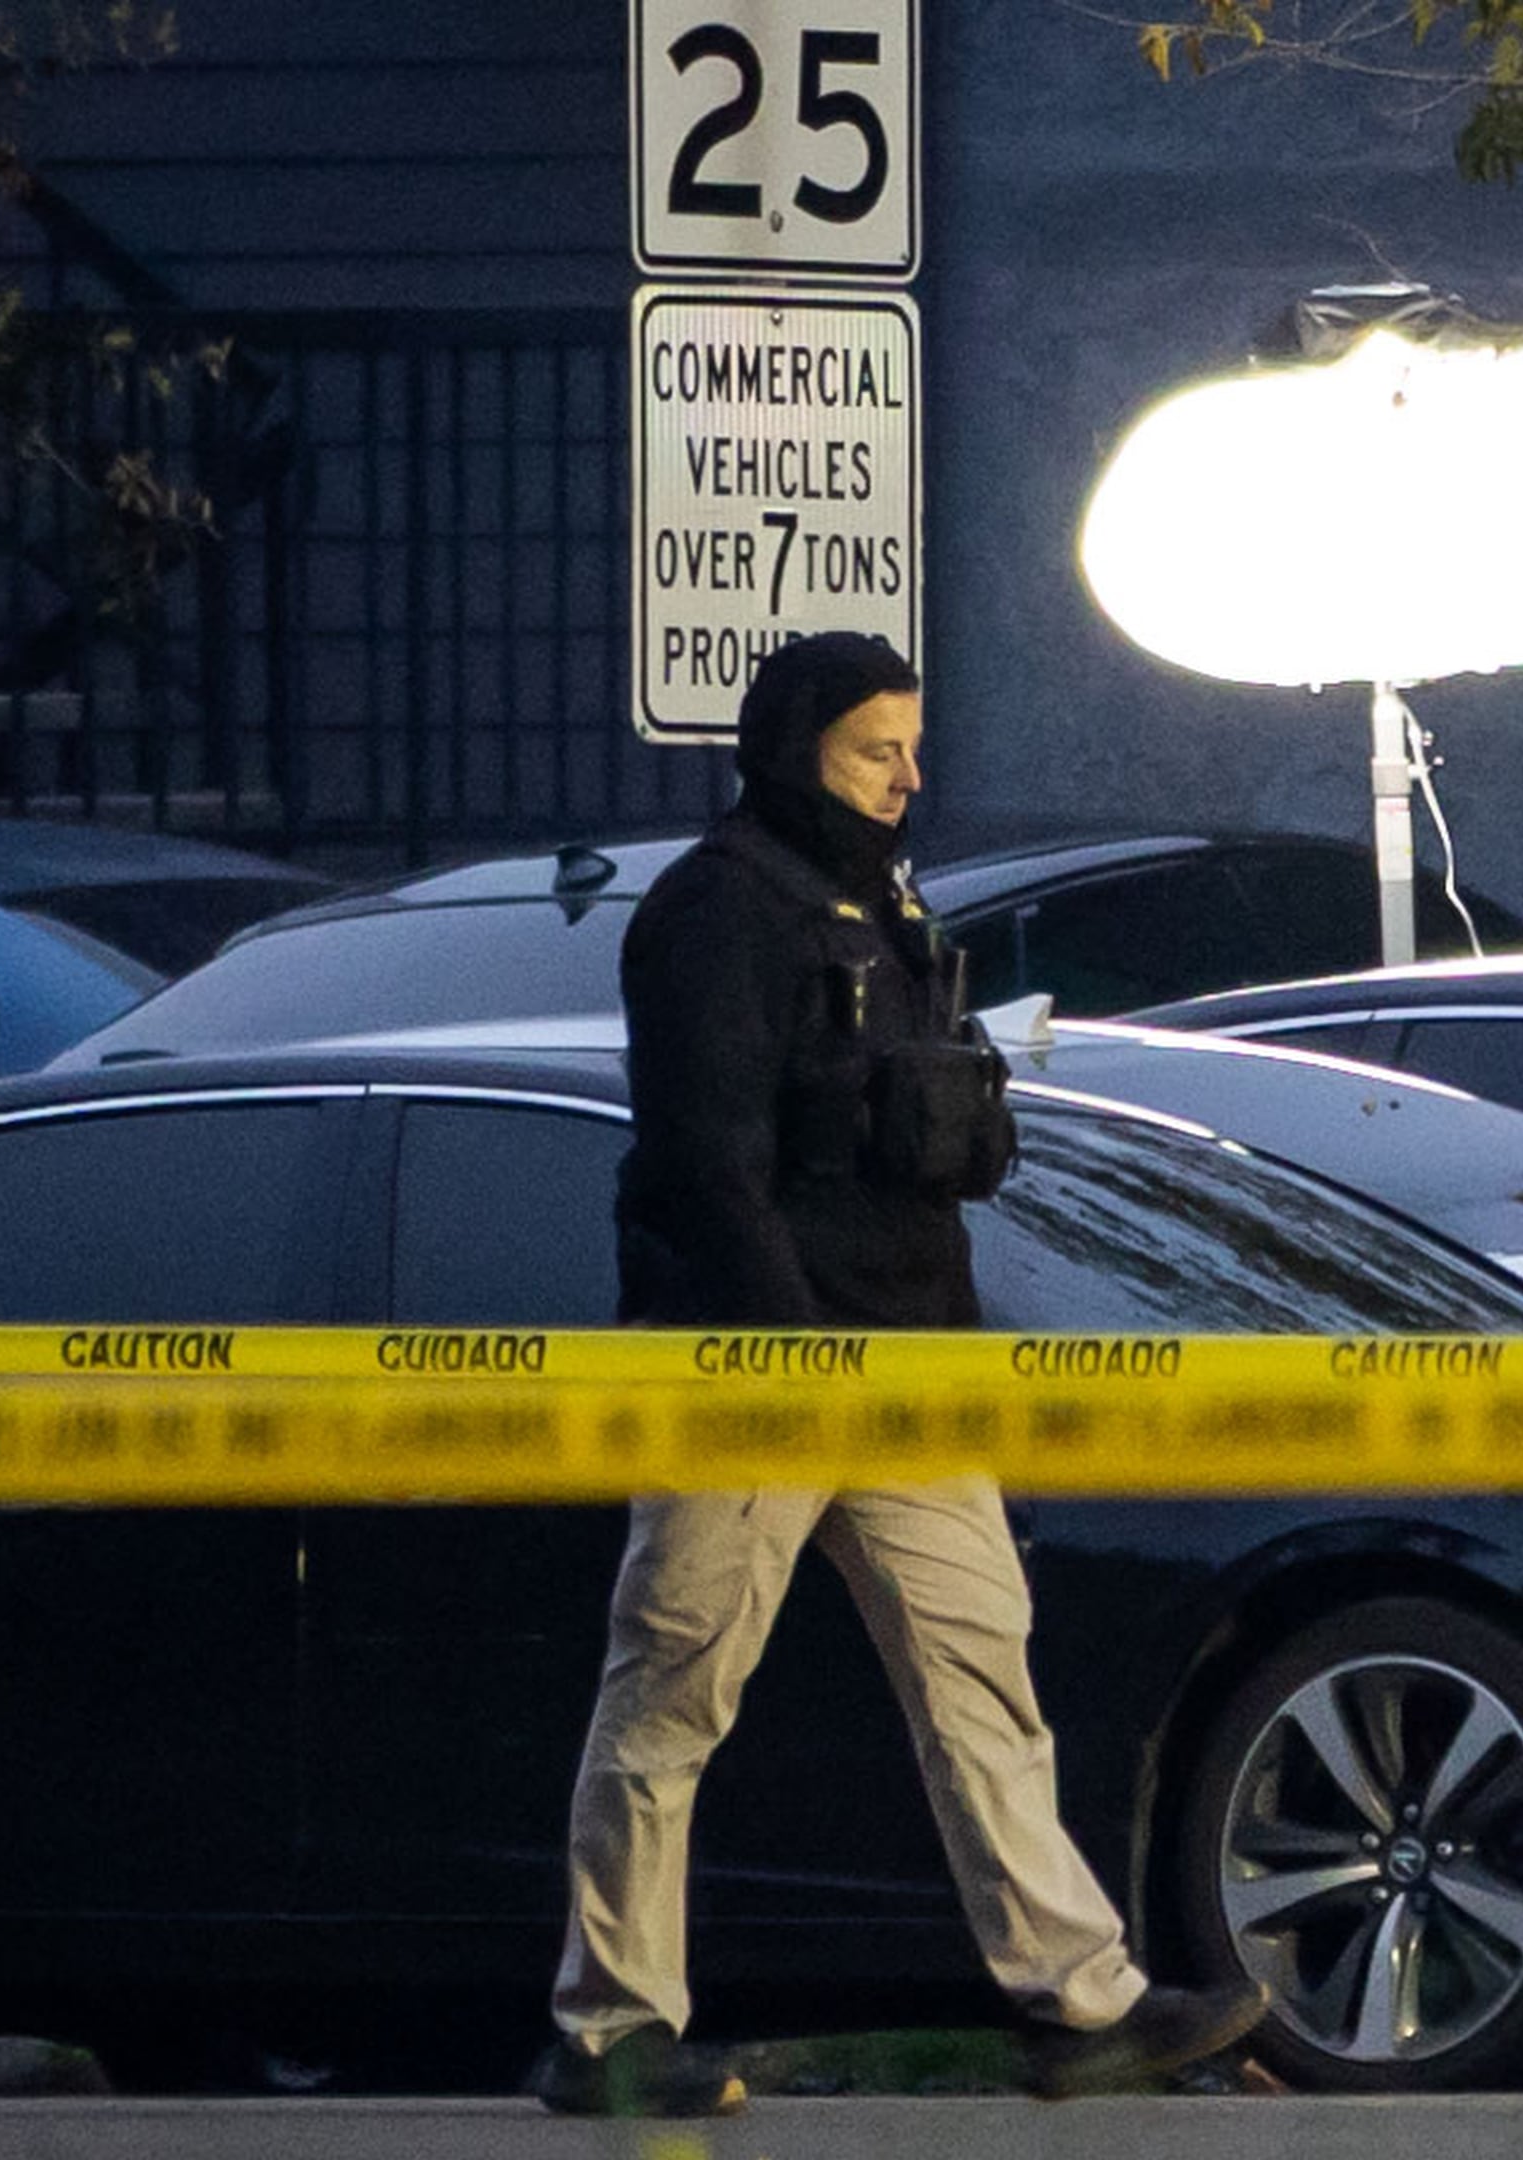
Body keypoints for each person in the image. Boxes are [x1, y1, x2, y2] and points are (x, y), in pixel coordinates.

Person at [527, 632, 1266, 2117]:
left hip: (908, 1371)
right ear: (797, 751)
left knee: (986, 1679)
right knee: (673, 1690)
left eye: (915, 750)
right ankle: (610, 2029)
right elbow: (703, 1162)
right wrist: (790, 1345)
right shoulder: (717, 913)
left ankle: (1086, 2006)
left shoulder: (882, 902)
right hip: (759, 1370)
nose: (909, 780)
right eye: (879, 752)